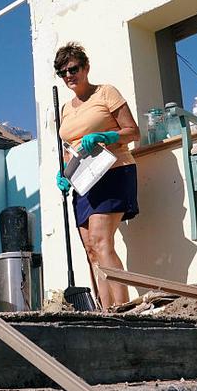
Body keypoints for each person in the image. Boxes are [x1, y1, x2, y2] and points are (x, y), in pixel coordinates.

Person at [54, 42, 140, 308]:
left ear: (86, 67)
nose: (68, 75)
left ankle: (123, 311)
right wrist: (64, 173)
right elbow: (70, 149)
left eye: (73, 68)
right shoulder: (66, 109)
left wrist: (107, 136)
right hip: (83, 181)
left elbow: (133, 132)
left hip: (113, 171)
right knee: (91, 249)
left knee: (102, 242)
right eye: (62, 72)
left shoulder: (106, 93)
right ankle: (105, 311)